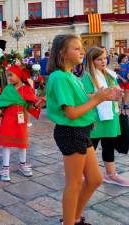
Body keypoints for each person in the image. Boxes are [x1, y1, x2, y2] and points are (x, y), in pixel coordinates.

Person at [46, 34, 117, 225]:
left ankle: (74, 218)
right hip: (71, 132)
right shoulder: (59, 77)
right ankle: (69, 222)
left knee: (94, 179)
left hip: (82, 131)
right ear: (63, 53)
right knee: (74, 183)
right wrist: (97, 99)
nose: (82, 51)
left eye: (81, 48)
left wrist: (104, 95)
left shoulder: (70, 76)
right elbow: (71, 113)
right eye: (76, 48)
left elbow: (81, 99)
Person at [81, 47, 129, 187]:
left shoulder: (109, 74)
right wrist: (105, 95)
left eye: (105, 58)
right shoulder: (88, 77)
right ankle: (82, 173)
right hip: (96, 117)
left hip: (111, 115)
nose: (103, 61)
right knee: (91, 147)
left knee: (109, 145)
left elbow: (115, 89)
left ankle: (111, 174)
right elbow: (86, 96)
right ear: (91, 61)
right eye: (99, 59)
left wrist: (117, 93)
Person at [0, 65, 43, 182]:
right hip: (8, 120)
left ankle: (22, 164)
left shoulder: (26, 89)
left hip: (20, 120)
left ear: (19, 75)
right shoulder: (7, 89)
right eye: (8, 76)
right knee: (6, 143)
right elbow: (2, 104)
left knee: (22, 143)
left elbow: (31, 105)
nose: (9, 78)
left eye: (11, 75)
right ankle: (5, 168)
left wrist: (38, 104)